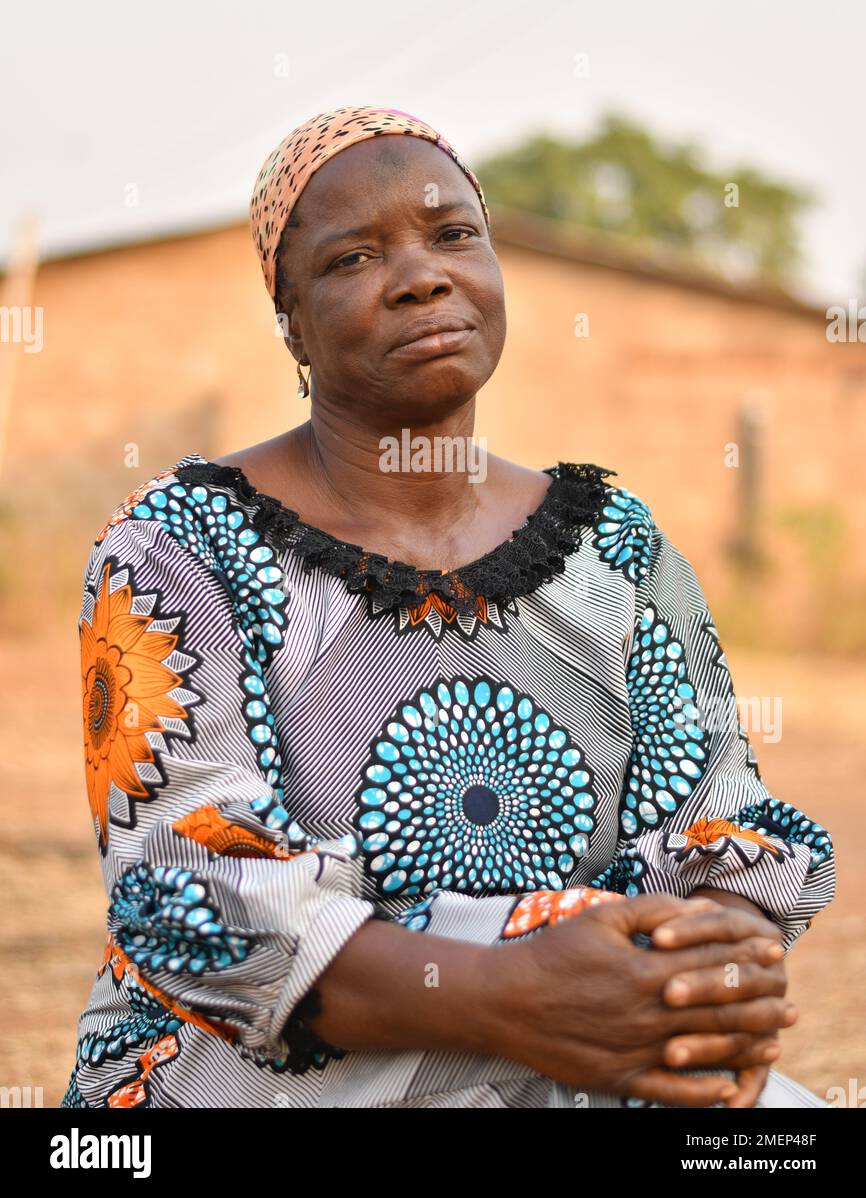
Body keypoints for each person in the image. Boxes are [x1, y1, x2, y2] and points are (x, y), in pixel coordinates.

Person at [63, 105, 835, 1109]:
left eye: (452, 234)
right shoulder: (179, 545)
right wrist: (498, 993)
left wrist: (708, 952)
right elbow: (191, 894)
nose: (421, 274)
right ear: (289, 321)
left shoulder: (613, 544)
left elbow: (712, 817)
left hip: (584, 1054)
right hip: (278, 1076)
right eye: (350, 258)